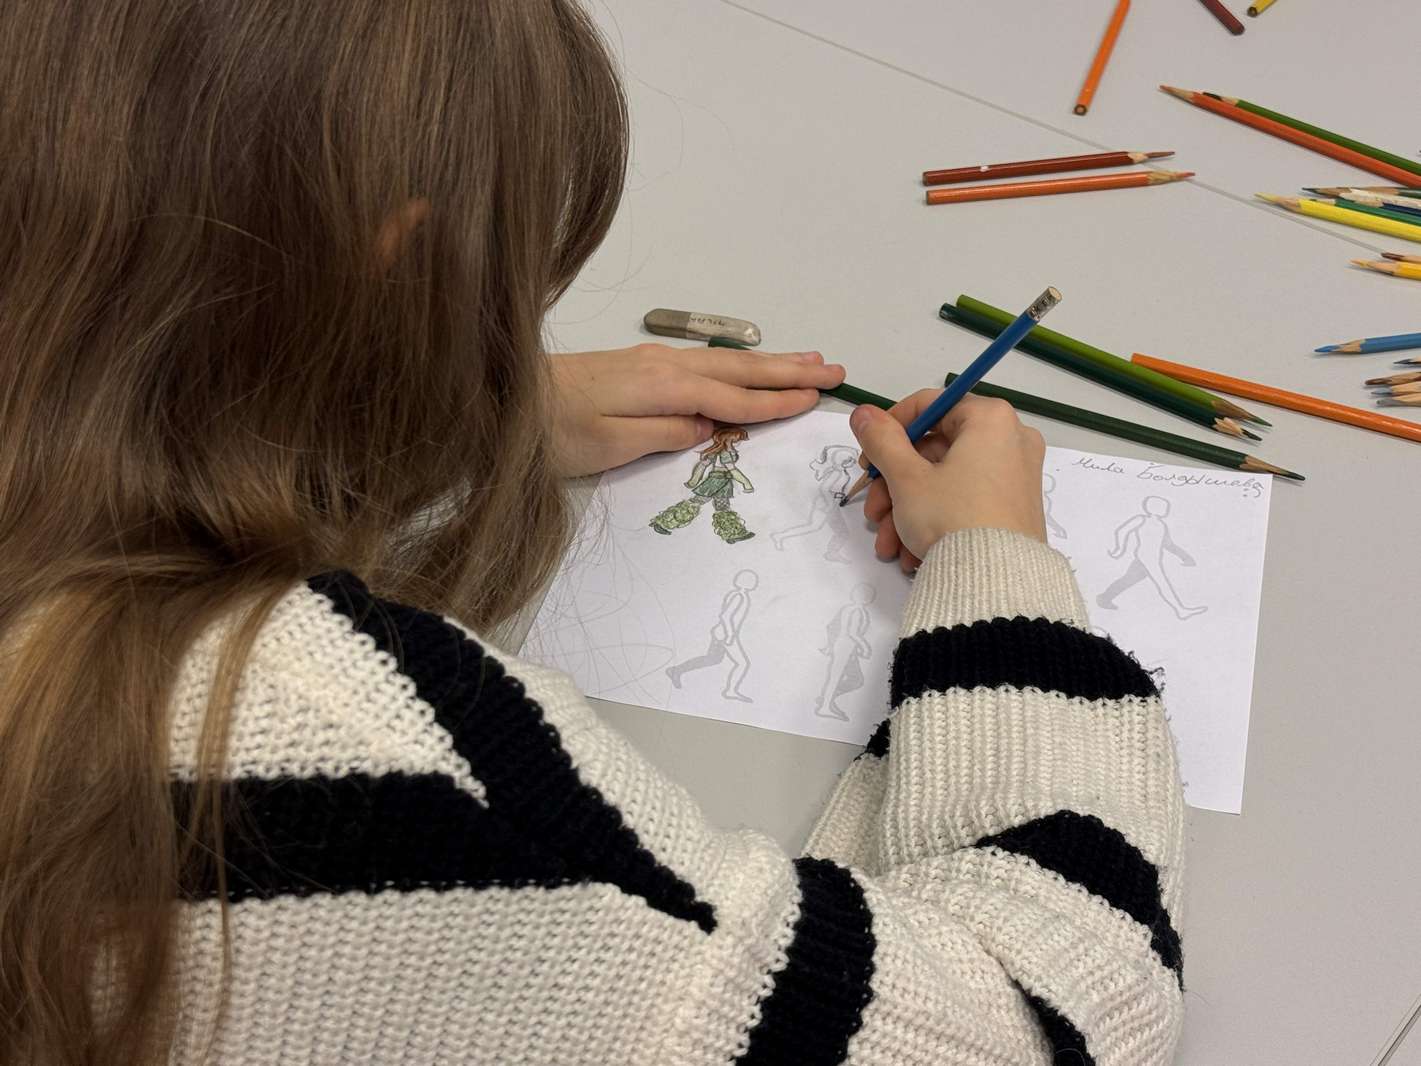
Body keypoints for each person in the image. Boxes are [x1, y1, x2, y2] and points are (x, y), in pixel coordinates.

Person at [0, 2, 1184, 1064]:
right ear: (399, 263)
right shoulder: (357, 766)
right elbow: (1036, 1016)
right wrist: (997, 571)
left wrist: (419, 406)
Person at [649, 426, 756, 543]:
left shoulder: (726, 451)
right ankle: (663, 523)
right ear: (728, 437)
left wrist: (693, 480)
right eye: (737, 438)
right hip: (715, 482)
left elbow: (704, 464)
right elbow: (731, 469)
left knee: (722, 507)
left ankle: (732, 533)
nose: (739, 440)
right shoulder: (724, 453)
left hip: (725, 483)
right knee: (696, 502)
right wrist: (746, 483)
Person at [666, 570, 758, 701]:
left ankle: (676, 670)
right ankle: (731, 691)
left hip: (720, 632)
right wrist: (730, 635)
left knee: (712, 659)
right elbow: (726, 616)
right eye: (752, 580)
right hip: (725, 634)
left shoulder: (736, 594)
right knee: (742, 663)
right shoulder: (739, 596)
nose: (754, 582)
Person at [814, 583, 876, 720]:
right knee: (837, 677)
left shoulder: (847, 608)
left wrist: (830, 645)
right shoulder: (858, 611)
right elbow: (853, 633)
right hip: (846, 647)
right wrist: (865, 647)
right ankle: (825, 706)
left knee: (851, 678)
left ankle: (826, 700)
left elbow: (831, 627)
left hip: (842, 645)